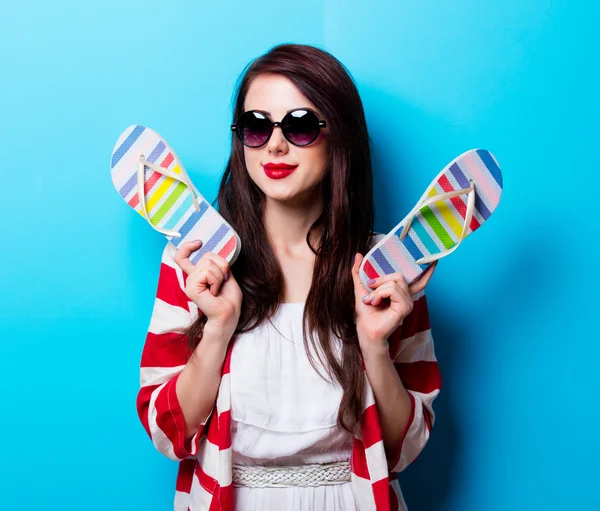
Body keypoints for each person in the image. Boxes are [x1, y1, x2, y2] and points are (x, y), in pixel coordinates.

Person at [136, 43, 441, 511]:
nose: (275, 144)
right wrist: (218, 327)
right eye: (256, 126)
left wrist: (374, 345)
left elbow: (405, 450)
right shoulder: (195, 261)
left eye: (300, 126)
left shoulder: (387, 269)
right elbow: (168, 432)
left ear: (339, 136)